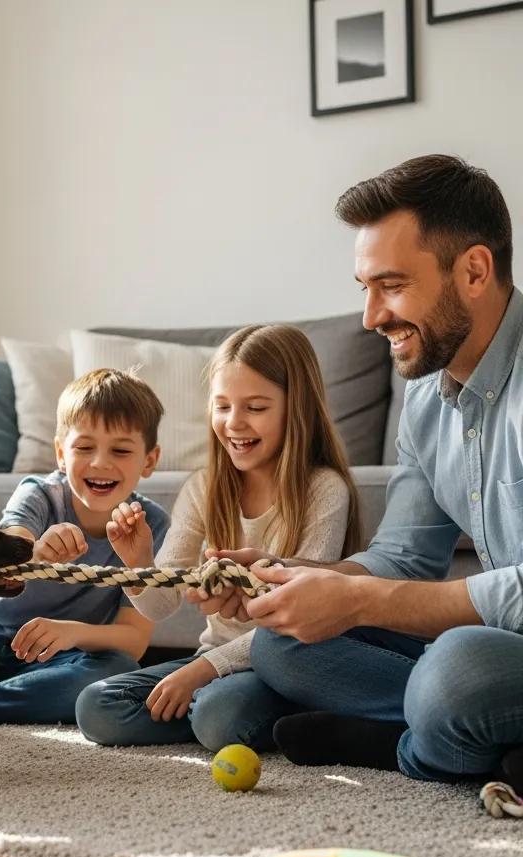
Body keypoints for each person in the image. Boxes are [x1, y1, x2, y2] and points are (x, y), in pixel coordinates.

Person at [210, 155, 523, 789]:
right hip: (499, 644)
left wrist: (359, 601)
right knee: (284, 641)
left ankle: (404, 744)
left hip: (483, 653)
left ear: (474, 270)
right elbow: (405, 556)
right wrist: (298, 577)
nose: (370, 316)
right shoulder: (427, 395)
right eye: (365, 288)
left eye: (392, 285)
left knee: (458, 671)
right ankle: (458, 737)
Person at [75, 325, 359, 750]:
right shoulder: (203, 488)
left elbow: (296, 624)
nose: (234, 423)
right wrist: (138, 563)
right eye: (222, 406)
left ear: (295, 408)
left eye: (256, 407)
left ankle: (233, 713)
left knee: (217, 715)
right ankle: (213, 714)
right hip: (213, 664)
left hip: (280, 665)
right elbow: (161, 604)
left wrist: (202, 672)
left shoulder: (324, 489)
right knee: (97, 706)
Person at [0, 368, 171, 724]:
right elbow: (11, 541)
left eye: (121, 450)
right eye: (84, 447)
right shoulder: (40, 493)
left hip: (56, 653)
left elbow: (134, 640)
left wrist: (71, 632)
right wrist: (35, 551)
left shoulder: (150, 524)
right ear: (61, 453)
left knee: (114, 670)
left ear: (150, 461)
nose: (100, 462)